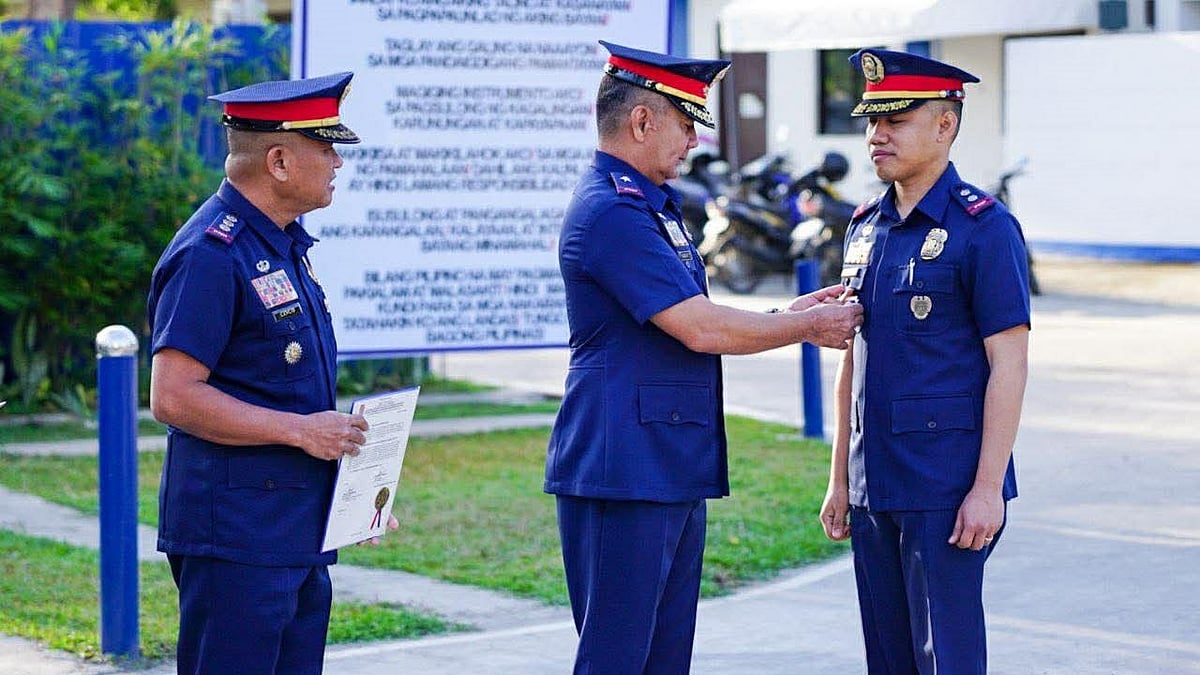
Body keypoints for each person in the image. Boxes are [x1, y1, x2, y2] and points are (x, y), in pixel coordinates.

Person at [545, 41, 864, 674]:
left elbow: (688, 316)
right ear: (642, 121)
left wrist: (788, 313)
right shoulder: (612, 211)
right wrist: (806, 326)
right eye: (685, 124)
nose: (693, 142)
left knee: (664, 659)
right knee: (617, 658)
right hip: (624, 470)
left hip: (664, 463)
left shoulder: (650, 206)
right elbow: (698, 329)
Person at [147, 72, 394, 674]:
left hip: (294, 529)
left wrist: (358, 493)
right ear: (279, 161)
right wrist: (302, 431)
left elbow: (285, 389)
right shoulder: (210, 254)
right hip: (238, 535)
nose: (338, 162)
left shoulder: (280, 245)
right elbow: (173, 397)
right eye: (326, 147)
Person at [819, 49, 1031, 674]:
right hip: (874, 480)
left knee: (947, 657)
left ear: (945, 125)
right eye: (872, 120)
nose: (877, 135)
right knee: (888, 659)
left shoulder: (984, 228)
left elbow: (1009, 362)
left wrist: (987, 489)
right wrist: (840, 478)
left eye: (896, 120)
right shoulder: (865, 226)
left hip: (946, 484)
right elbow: (852, 357)